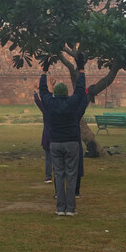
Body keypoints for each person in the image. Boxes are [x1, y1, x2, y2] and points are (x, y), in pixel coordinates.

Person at [39, 47, 87, 216]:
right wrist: (81, 69)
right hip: (72, 143)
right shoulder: (72, 103)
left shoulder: (50, 104)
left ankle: (60, 208)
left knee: (58, 175)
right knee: (72, 175)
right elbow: (81, 90)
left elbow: (43, 91)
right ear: (67, 94)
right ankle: (71, 209)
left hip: (56, 143)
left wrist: (44, 72)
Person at [33, 88, 53, 183]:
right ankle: (59, 175)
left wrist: (35, 91)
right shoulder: (58, 107)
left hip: (48, 136)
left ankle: (48, 176)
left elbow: (37, 101)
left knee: (48, 158)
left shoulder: (46, 110)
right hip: (58, 136)